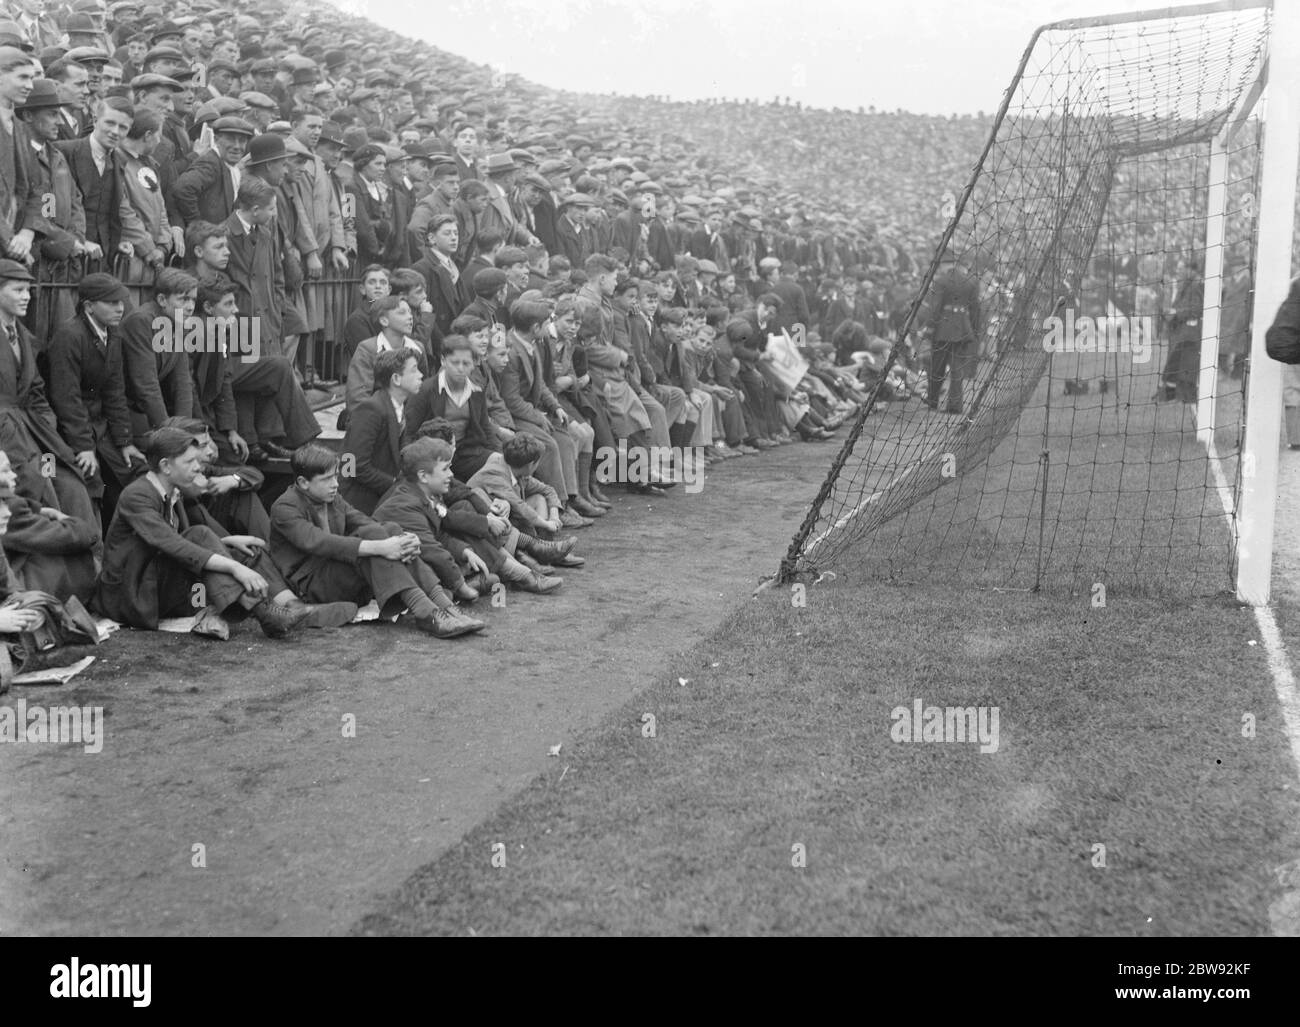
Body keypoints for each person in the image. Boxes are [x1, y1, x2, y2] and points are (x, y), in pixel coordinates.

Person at [94, 425, 332, 639]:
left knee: (243, 548)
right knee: (202, 535)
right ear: (166, 466)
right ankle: (264, 612)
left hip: (152, 582)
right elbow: (173, 544)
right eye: (189, 462)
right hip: (129, 595)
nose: (198, 467)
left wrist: (227, 541)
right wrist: (235, 567)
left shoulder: (171, 490)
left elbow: (177, 543)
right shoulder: (138, 495)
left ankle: (289, 606)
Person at [268, 442, 484, 638]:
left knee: (389, 528)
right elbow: (319, 542)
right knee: (377, 541)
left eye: (335, 476)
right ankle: (429, 614)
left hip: (339, 573)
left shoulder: (331, 497)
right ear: (303, 482)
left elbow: (365, 522)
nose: (335, 484)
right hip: (313, 584)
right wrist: (381, 546)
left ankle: (445, 608)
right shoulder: (285, 507)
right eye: (327, 479)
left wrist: (401, 540)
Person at [41, 272, 145, 524]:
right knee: (89, 483)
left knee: (135, 473)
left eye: (121, 302)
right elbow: (66, 399)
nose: (120, 308)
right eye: (111, 303)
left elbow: (114, 392)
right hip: (66, 430)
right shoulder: (70, 336)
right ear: (89, 306)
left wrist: (124, 441)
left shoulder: (113, 334)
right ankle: (94, 549)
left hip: (101, 427)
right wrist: (84, 447)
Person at [340, 347, 421, 515]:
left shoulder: (400, 407)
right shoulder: (371, 409)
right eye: (414, 370)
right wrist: (396, 485)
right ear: (396, 379)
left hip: (386, 496)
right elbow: (353, 465)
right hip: (359, 502)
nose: (420, 375)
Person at [922, 250, 981, 414]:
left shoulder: (941, 280)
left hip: (943, 328)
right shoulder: (971, 281)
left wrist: (929, 328)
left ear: (943, 265)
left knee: (937, 367)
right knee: (957, 369)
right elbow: (976, 308)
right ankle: (955, 406)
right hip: (963, 327)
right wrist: (975, 330)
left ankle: (933, 400)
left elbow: (935, 307)